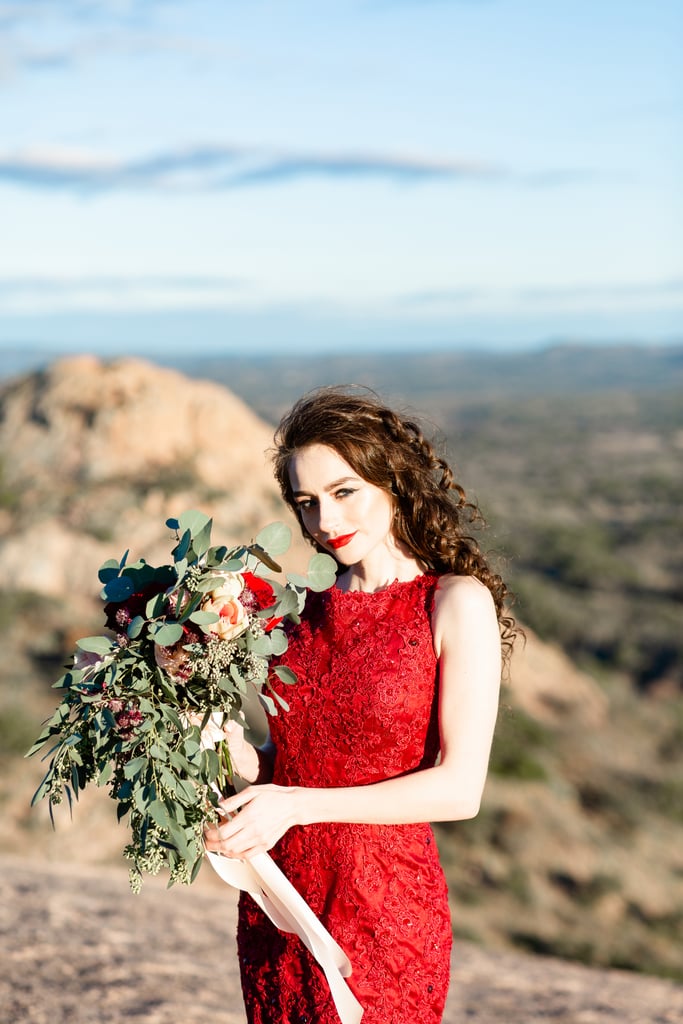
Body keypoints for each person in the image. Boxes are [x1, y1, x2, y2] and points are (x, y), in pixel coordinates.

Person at [203, 387, 517, 1024]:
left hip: (386, 906)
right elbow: (286, 765)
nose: (323, 520)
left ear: (393, 481)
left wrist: (294, 805)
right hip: (281, 900)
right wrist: (209, 737)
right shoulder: (293, 612)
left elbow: (461, 791)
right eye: (306, 502)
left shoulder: (453, 603)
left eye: (344, 492)